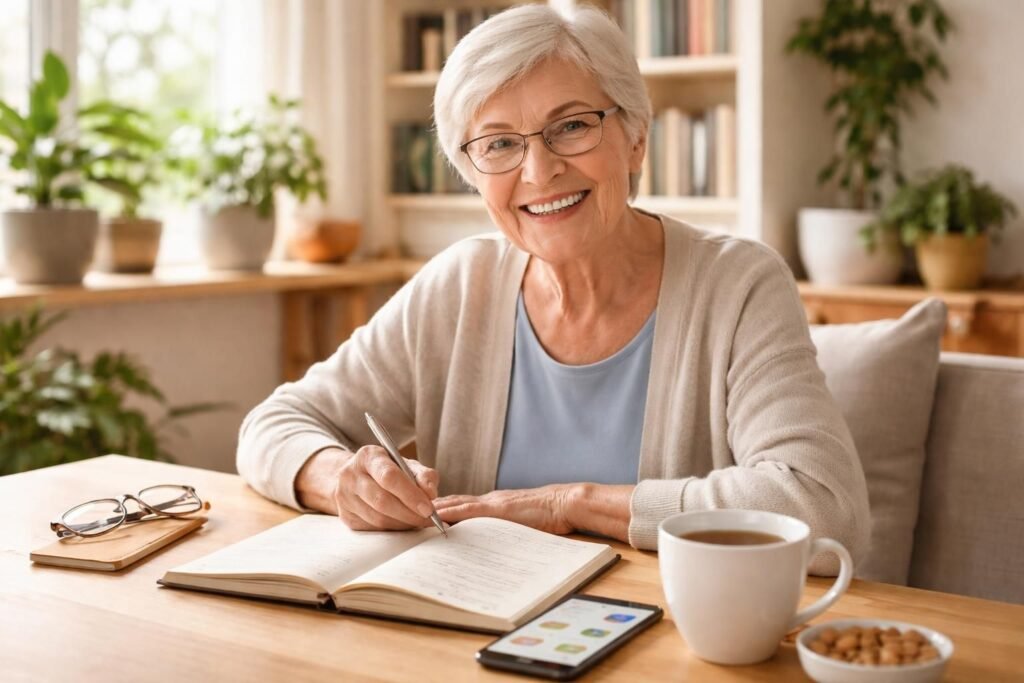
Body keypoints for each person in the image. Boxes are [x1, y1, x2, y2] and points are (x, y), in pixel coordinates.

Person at [237, 4, 870, 574]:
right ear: (473, 173)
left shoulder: (738, 285)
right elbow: (275, 424)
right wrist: (338, 479)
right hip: (468, 637)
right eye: (500, 144)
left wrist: (573, 504)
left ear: (636, 139)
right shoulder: (460, 285)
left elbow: (823, 506)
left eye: (571, 127)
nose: (539, 171)